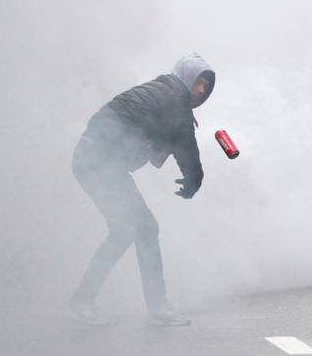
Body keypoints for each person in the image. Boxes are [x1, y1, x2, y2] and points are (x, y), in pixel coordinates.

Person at [69, 53, 215, 326]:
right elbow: (187, 148)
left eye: (206, 86)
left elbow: (151, 138)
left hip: (93, 159)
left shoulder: (162, 93)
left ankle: (83, 299)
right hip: (101, 161)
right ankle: (157, 309)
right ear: (186, 78)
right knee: (145, 228)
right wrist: (194, 180)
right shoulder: (175, 100)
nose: (201, 90)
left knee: (126, 230)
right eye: (198, 82)